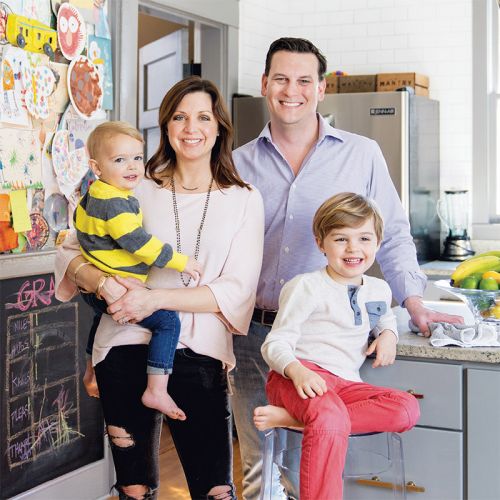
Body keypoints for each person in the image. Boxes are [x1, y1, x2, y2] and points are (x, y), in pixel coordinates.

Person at [231, 37, 462, 499]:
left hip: (325, 340)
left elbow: (392, 235)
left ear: (321, 89)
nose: (291, 90)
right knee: (257, 468)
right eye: (281, 79)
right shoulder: (238, 163)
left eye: (304, 80)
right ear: (264, 84)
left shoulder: (362, 153)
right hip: (252, 332)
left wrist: (413, 304)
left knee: (308, 461)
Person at [55, 76, 264, 500]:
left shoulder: (243, 198)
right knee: (133, 488)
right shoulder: (135, 186)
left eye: (203, 117)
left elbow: (236, 289)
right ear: (166, 126)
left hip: (200, 351)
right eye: (180, 117)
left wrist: (154, 299)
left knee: (216, 489)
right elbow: (70, 249)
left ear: (219, 127)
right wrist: (104, 285)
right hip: (122, 343)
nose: (191, 128)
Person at [254, 192, 420, 500]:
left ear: (378, 242)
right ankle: (319, 423)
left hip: (344, 385)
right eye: (341, 239)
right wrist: (298, 371)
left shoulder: (379, 289)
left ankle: (299, 420)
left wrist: (389, 334)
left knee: (406, 409)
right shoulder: (306, 286)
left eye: (364, 238)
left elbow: (384, 318)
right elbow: (275, 343)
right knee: (328, 416)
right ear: (321, 243)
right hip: (298, 379)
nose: (353, 248)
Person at [74, 121, 202, 420]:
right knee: (167, 322)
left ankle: (91, 366)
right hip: (115, 286)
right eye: (120, 159)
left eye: (136, 157)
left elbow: (79, 226)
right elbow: (139, 243)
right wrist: (181, 261)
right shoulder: (116, 204)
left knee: (100, 317)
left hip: (99, 287)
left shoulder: (96, 193)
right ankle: (156, 389)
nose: (132, 166)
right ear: (96, 166)